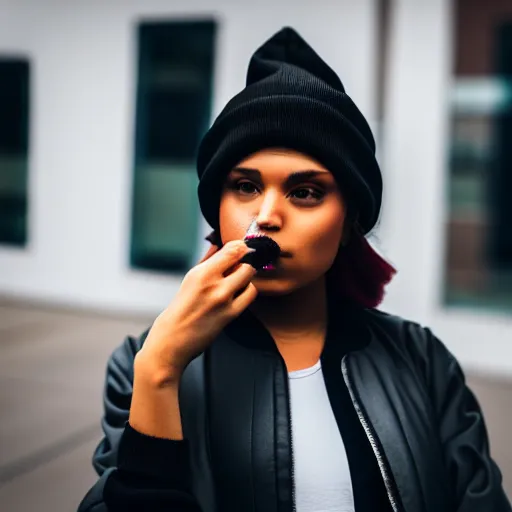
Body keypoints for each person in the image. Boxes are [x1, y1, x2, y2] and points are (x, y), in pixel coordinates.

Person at [78, 27, 511, 512]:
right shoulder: (142, 362)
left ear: (349, 222)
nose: (265, 216)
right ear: (215, 209)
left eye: (305, 192)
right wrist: (159, 373)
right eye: (244, 186)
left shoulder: (423, 362)